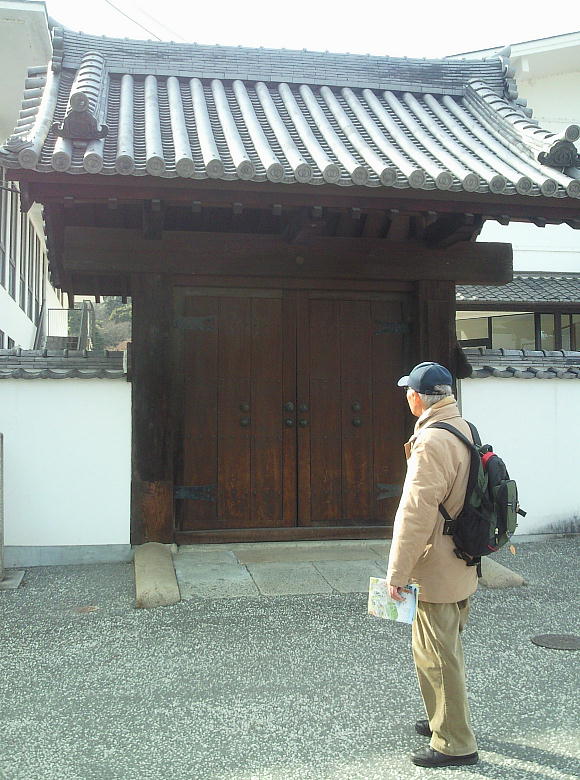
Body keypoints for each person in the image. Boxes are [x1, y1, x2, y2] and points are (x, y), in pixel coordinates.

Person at [386, 361, 479, 768]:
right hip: (462, 557)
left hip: (437, 563)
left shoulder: (431, 441)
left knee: (437, 657)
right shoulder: (463, 428)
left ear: (418, 398)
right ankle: (442, 719)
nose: (407, 397)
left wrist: (397, 572)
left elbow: (415, 513)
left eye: (409, 391)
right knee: (444, 649)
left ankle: (454, 743)